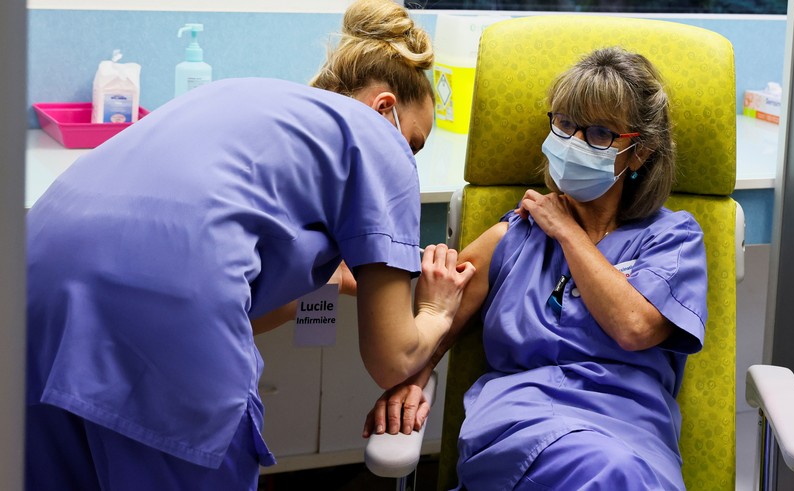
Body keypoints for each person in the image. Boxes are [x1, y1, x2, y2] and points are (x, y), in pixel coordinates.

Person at [25, 1, 475, 490]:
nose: (408, 158)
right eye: (413, 142)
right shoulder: (376, 140)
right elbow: (392, 359)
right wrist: (433, 310)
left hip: (35, 285)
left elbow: (227, 304)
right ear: (385, 108)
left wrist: (323, 281)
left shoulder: (248, 98)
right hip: (160, 317)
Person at [364, 46, 708, 491]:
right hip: (524, 425)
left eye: (600, 134)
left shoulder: (673, 239)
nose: (573, 143)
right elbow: (438, 318)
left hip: (632, 436)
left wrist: (568, 232)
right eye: (565, 123)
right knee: (606, 473)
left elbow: (634, 328)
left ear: (638, 154)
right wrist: (416, 378)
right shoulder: (514, 235)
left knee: (617, 470)